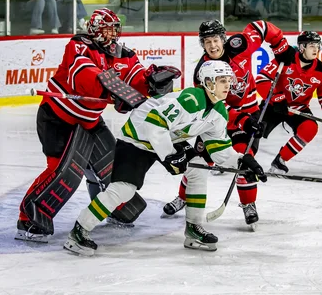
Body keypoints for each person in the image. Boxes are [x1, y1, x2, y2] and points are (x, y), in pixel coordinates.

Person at [63, 60, 268, 256]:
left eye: (229, 80)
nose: (228, 85)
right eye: (222, 80)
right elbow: (154, 122)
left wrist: (242, 162)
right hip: (138, 137)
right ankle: (79, 231)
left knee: (196, 167)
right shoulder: (192, 99)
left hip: (167, 135)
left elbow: (218, 149)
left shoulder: (219, 112)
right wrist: (170, 155)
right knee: (124, 189)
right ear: (208, 83)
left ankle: (194, 229)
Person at [15, 8, 179, 242]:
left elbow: (135, 79)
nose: (110, 34)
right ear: (94, 30)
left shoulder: (124, 54)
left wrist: (151, 82)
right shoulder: (79, 45)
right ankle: (29, 220)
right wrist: (110, 86)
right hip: (59, 117)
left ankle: (114, 208)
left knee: (113, 166)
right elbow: (84, 79)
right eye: (105, 29)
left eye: (114, 29)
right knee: (62, 172)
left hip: (90, 120)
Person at [162, 19, 295, 227]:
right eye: (207, 42)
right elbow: (214, 107)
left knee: (244, 160)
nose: (212, 46)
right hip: (217, 122)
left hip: (249, 113)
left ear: (223, 39)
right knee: (199, 161)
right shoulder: (202, 72)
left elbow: (261, 27)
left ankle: (249, 204)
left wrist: (281, 46)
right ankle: (183, 197)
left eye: (215, 40)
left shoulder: (239, 45)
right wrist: (241, 120)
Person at [255, 31, 322, 174]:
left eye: (317, 45)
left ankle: (280, 161)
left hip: (298, 109)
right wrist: (278, 98)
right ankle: (236, 159)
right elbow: (262, 80)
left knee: (310, 128)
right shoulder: (285, 59)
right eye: (312, 46)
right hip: (274, 106)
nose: (316, 49)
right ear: (302, 47)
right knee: (252, 130)